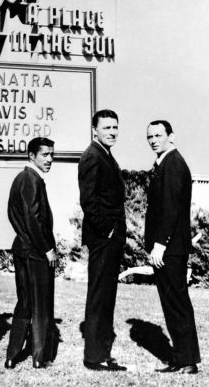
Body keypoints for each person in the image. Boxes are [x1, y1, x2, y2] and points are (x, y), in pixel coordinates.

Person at [145, 120, 201, 375]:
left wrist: (159, 245)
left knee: (177, 303)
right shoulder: (164, 164)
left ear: (171, 136)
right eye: (150, 136)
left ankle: (188, 360)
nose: (154, 140)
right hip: (169, 248)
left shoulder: (173, 164)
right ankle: (181, 358)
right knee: (172, 303)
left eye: (159, 135)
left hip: (170, 249)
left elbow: (170, 209)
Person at [78, 109, 127, 371]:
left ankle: (102, 352)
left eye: (115, 127)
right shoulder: (92, 156)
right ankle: (94, 356)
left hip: (110, 238)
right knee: (99, 295)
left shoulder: (106, 155)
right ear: (94, 129)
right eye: (106, 127)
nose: (111, 132)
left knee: (106, 295)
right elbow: (88, 200)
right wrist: (107, 229)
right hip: (103, 238)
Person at [5, 137, 57, 370]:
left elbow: (12, 213)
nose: (49, 159)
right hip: (35, 252)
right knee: (41, 305)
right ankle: (39, 356)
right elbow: (33, 218)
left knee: (24, 303)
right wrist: (47, 248)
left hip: (22, 249)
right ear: (32, 156)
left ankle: (12, 355)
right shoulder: (31, 179)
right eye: (45, 155)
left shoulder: (20, 179)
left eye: (51, 154)